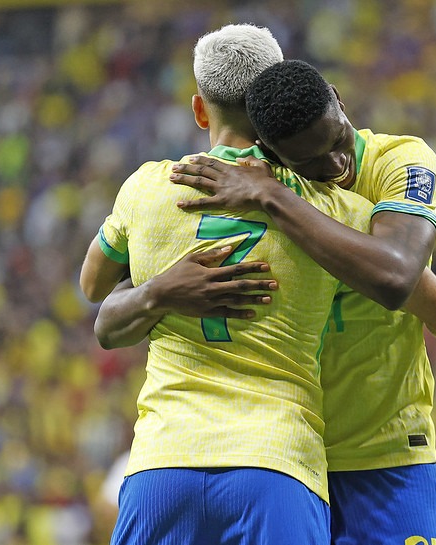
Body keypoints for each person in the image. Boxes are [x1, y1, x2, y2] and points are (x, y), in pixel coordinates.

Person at [81, 24, 377, 545]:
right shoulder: (334, 213)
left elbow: (92, 286)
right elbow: (418, 290)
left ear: (200, 110)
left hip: (161, 465)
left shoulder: (147, 189)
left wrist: (157, 281)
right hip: (276, 462)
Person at [168, 59, 436, 545]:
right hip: (283, 459)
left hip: (387, 454)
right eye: (310, 161)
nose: (334, 164)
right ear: (269, 151)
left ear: (340, 101)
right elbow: (106, 298)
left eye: (337, 139)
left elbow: (394, 278)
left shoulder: (400, 161)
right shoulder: (240, 189)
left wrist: (273, 198)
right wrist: (154, 293)